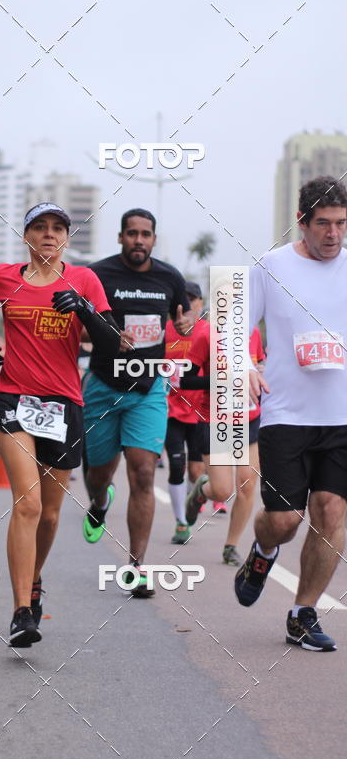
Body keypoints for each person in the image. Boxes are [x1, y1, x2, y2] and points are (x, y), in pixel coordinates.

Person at [0, 202, 118, 647]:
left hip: (64, 404)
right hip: (12, 399)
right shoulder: (4, 277)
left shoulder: (84, 280)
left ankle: (34, 581)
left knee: (50, 513)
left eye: (57, 228)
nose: (49, 235)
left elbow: (112, 344)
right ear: (26, 235)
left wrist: (85, 310)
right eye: (40, 227)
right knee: (27, 504)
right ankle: (21, 611)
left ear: (67, 238)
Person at [233, 176, 347, 651]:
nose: (334, 235)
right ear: (302, 223)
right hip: (285, 414)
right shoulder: (271, 266)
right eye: (323, 224)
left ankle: (302, 613)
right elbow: (234, 326)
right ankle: (262, 551)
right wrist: (243, 366)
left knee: (332, 512)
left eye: (342, 224)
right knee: (284, 520)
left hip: (340, 418)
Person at [81, 208, 193, 595]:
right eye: (132, 233)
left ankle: (137, 567)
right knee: (99, 474)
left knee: (144, 472)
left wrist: (184, 325)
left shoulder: (169, 277)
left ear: (154, 240)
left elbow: (184, 314)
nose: (139, 240)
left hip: (148, 390)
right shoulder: (97, 274)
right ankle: (99, 502)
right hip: (102, 386)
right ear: (120, 237)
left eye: (146, 234)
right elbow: (80, 320)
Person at [183, 325, 265, 564]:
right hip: (214, 420)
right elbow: (186, 380)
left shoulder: (253, 333)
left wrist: (261, 370)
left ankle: (231, 546)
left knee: (247, 484)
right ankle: (202, 490)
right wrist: (222, 380)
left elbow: (260, 364)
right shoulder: (205, 334)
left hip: (248, 417)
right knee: (222, 491)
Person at [163, 281, 207, 544]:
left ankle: (192, 503)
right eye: (184, 299)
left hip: (201, 410)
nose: (188, 305)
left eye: (193, 300)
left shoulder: (208, 332)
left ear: (201, 304)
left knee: (196, 471)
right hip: (171, 409)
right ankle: (181, 522)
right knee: (177, 466)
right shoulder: (165, 330)